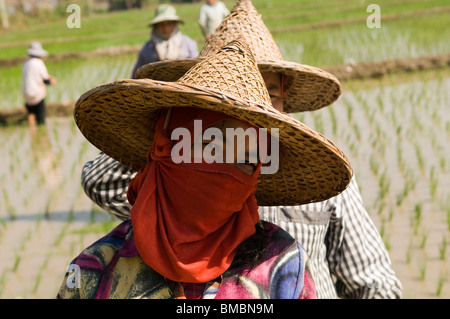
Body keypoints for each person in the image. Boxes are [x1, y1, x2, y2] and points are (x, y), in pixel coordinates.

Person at [81, 0, 402, 299]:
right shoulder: (161, 194)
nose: (248, 111)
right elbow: (99, 183)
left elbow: (373, 280)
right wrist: (162, 143)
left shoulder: (311, 214)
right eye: (225, 102)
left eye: (264, 97)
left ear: (284, 99)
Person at [58, 40, 353, 299]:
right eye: (213, 147)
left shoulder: (283, 264)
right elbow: (96, 179)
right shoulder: (94, 271)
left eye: (247, 161)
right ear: (166, 146)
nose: (228, 173)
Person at [130, 4, 198, 78]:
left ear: (174, 24)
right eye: (161, 24)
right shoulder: (148, 48)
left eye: (169, 24)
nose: (166, 28)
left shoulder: (187, 43)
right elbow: (136, 75)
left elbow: (198, 68)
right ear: (156, 26)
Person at [22, 41, 57, 128]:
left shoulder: (26, 63)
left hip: (26, 92)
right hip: (37, 93)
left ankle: (32, 132)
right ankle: (41, 131)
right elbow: (45, 80)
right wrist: (52, 81)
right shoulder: (39, 63)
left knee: (31, 113)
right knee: (40, 116)